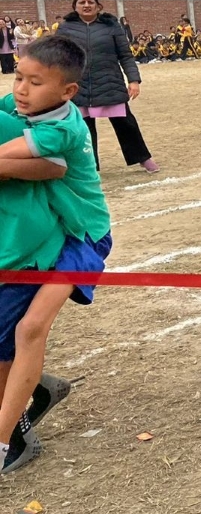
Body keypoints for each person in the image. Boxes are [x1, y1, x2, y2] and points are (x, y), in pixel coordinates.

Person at [0, 36, 113, 473]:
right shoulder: (22, 107)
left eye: (35, 83)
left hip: (83, 238)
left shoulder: (62, 128)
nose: (21, 90)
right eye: (18, 77)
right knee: (9, 337)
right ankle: (40, 389)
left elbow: (15, 158)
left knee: (30, 329)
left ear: (67, 92)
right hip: (53, 234)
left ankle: (5, 439)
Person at [55, 0, 159, 173]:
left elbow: (125, 55)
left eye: (90, 2)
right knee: (84, 129)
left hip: (110, 82)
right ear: (75, 6)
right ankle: (90, 167)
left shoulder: (111, 26)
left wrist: (134, 80)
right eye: (82, 2)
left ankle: (143, 158)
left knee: (126, 123)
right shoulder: (65, 29)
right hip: (78, 86)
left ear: (98, 6)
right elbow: (58, 56)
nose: (86, 5)